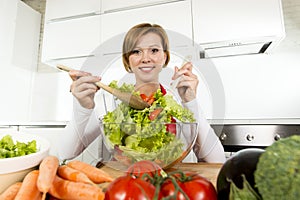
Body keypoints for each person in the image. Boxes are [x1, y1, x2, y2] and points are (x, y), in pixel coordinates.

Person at [58, 23, 226, 163]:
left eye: (154, 50)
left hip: (168, 186)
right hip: (123, 186)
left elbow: (216, 160)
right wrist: (83, 107)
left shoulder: (177, 100)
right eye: (136, 51)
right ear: (128, 61)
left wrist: (190, 101)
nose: (146, 58)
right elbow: (65, 153)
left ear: (164, 58)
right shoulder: (110, 100)